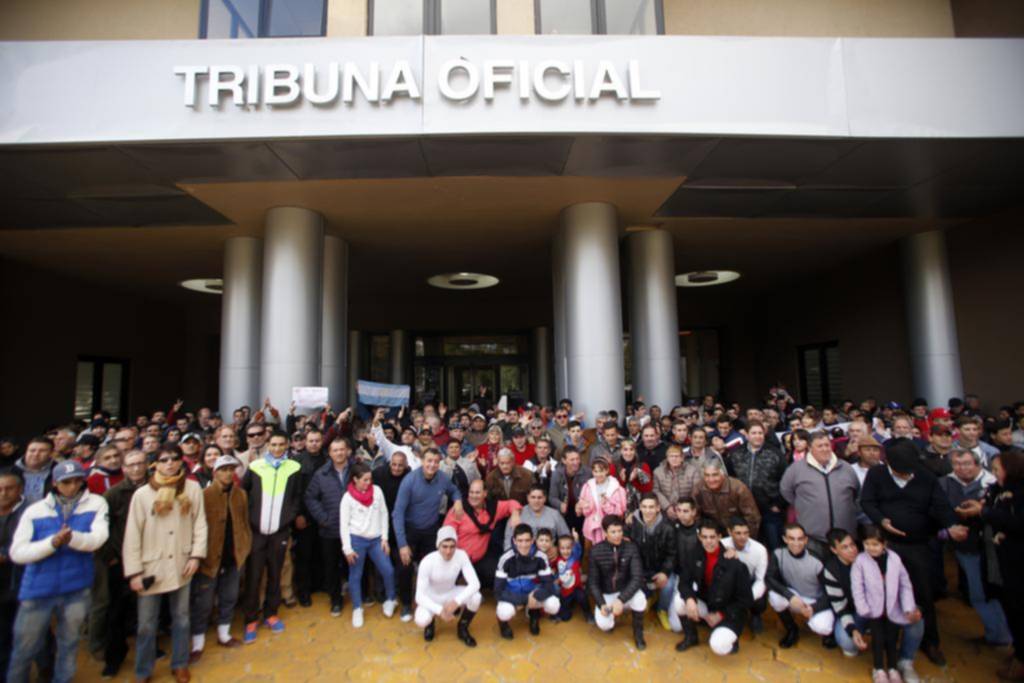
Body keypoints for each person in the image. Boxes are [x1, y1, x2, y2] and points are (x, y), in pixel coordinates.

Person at [860, 438, 968, 666]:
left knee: (923, 593)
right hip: (887, 545)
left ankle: (930, 642)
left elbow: (941, 505)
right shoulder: (876, 475)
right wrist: (881, 520)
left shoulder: (926, 477)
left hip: (918, 545)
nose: (906, 475)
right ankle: (887, 641)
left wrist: (951, 525)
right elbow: (867, 502)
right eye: (901, 471)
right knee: (885, 592)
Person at [7, 460, 107, 683]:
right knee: (24, 648)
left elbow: (98, 539)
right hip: (38, 590)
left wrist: (73, 538)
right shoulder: (35, 510)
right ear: (55, 483)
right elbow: (18, 552)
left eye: (77, 481)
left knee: (69, 645)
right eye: (66, 482)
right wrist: (52, 543)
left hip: (77, 587)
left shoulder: (96, 503)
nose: (73, 486)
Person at [122, 444, 207, 683]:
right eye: (164, 459)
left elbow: (200, 524)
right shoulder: (142, 494)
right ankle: (143, 670)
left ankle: (180, 663)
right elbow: (132, 534)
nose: (170, 463)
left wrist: (196, 556)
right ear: (155, 464)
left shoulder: (191, 488)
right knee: (146, 624)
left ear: (181, 461)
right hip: (151, 567)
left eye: (174, 458)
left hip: (182, 562)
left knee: (181, 618)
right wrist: (134, 572)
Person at [958, 449, 1024, 680]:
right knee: (1009, 607)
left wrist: (985, 512)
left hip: (1017, 563)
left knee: (1019, 610)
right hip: (997, 559)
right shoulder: (996, 490)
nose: (993, 473)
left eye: (997, 469)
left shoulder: (1020, 493)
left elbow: (1018, 522)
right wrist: (978, 508)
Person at [940, 448, 1011, 648]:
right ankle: (997, 633)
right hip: (966, 547)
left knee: (991, 592)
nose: (962, 468)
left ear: (978, 464)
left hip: (994, 548)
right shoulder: (944, 483)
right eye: (957, 464)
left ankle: (1001, 636)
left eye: (967, 463)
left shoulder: (992, 483)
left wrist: (981, 511)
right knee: (979, 592)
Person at [240, 430, 303, 644]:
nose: (277, 448)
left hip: (280, 531)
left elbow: (296, 497)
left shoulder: (294, 467)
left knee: (276, 573)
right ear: (268, 445)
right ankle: (251, 619)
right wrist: (250, 518)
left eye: (281, 444)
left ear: (287, 445)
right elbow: (243, 493)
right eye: (273, 444)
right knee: (254, 575)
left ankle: (271, 613)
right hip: (257, 532)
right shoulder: (256, 467)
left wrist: (288, 518)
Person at [189, 455, 251, 660]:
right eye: (223, 469)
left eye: (231, 469)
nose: (228, 473)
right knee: (203, 602)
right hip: (210, 557)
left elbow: (244, 522)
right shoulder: (204, 495)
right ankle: (198, 642)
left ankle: (224, 633)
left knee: (229, 596)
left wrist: (245, 545)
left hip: (233, 554)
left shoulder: (241, 495)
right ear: (215, 472)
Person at [394, 449, 464, 622]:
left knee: (435, 566)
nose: (432, 465)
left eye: (436, 461)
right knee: (405, 566)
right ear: (422, 461)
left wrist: (457, 500)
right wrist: (402, 544)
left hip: (430, 530)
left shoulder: (442, 478)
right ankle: (406, 603)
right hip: (410, 529)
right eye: (429, 461)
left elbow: (454, 490)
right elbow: (398, 513)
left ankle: (435, 601)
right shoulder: (409, 481)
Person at [98, 449, 149, 677]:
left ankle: (148, 649)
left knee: (146, 611)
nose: (136, 468)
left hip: (150, 558)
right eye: (131, 465)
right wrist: (110, 557)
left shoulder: (157, 489)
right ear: (124, 468)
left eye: (140, 463)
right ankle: (115, 657)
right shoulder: (114, 494)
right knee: (116, 612)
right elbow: (103, 529)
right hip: (121, 561)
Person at [851, 525, 921, 683]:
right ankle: (878, 669)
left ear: (884, 544)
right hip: (873, 609)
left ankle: (892, 668)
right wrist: (863, 607)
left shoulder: (894, 559)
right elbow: (857, 587)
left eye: (875, 544)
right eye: (867, 544)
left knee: (892, 638)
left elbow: (905, 584)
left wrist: (908, 607)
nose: (871, 548)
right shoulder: (860, 561)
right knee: (877, 638)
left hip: (893, 608)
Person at [672, 518, 753, 656]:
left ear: (719, 537)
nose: (708, 541)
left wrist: (721, 614)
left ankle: (731, 638)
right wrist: (689, 599)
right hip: (708, 605)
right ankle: (691, 637)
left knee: (718, 646)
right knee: (680, 601)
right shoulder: (694, 555)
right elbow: (684, 582)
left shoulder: (735, 564)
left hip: (728, 612)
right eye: (704, 537)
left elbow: (746, 600)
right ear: (699, 537)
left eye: (712, 537)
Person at [780, 431, 861, 558]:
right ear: (810, 448)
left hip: (844, 536)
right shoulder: (795, 470)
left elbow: (856, 494)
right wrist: (804, 504)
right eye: (820, 446)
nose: (824, 449)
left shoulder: (846, 468)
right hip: (813, 536)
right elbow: (786, 491)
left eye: (827, 445)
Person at [340, 462, 397, 628]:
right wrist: (347, 549)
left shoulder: (377, 491)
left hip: (376, 540)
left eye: (370, 479)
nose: (368, 482)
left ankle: (391, 599)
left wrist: (385, 538)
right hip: (357, 540)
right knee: (355, 575)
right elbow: (344, 525)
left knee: (388, 570)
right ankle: (357, 608)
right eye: (365, 480)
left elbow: (384, 514)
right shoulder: (347, 498)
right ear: (355, 480)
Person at [303, 437, 352, 617]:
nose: (339, 453)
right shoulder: (321, 474)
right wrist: (323, 518)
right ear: (330, 453)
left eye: (342, 449)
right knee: (331, 566)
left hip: (353, 528)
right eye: (335, 450)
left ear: (347, 451)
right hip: (330, 528)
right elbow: (310, 497)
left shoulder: (356, 470)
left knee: (354, 563)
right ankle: (335, 600)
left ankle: (359, 594)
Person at [766, 522, 835, 649]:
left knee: (823, 627)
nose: (796, 543)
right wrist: (789, 596)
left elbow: (831, 592)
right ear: (785, 539)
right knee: (775, 597)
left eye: (800, 539)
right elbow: (769, 578)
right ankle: (791, 629)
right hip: (795, 597)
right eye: (791, 539)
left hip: (816, 600)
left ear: (805, 540)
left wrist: (814, 608)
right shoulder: (778, 554)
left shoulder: (817, 560)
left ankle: (829, 633)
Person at [443, 478, 521, 588]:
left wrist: (515, 514)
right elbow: (446, 535)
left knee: (498, 575)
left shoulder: (493, 508)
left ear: (485, 493)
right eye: (471, 492)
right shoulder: (459, 509)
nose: (473, 496)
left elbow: (511, 503)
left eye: (477, 492)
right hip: (456, 558)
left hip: (480, 559)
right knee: (447, 585)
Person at [414, 526, 482, 647]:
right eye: (444, 546)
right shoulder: (427, 561)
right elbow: (419, 596)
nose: (448, 551)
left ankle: (462, 628)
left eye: (452, 546)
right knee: (421, 620)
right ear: (438, 545)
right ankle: (430, 624)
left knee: (476, 597)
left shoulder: (461, 555)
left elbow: (475, 583)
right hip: (432, 596)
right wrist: (440, 611)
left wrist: (456, 602)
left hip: (451, 593)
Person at [726, 421, 786, 552]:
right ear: (746, 435)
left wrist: (778, 504)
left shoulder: (775, 453)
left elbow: (785, 480)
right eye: (754, 433)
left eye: (760, 433)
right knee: (747, 546)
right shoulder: (736, 453)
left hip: (769, 508)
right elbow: (730, 479)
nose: (757, 436)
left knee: (774, 545)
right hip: (743, 508)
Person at [589, 514, 648, 649]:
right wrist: (601, 603)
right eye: (613, 532)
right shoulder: (595, 551)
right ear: (605, 533)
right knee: (604, 625)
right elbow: (593, 583)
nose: (617, 535)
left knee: (640, 599)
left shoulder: (631, 548)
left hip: (625, 591)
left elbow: (637, 577)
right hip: (607, 593)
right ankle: (611, 620)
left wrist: (621, 600)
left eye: (620, 531)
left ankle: (638, 633)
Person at [495, 523, 560, 639]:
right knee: (504, 612)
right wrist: (524, 600)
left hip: (532, 592)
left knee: (554, 605)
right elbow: (498, 592)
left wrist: (535, 595)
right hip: (513, 594)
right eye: (520, 541)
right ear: (514, 541)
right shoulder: (505, 558)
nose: (524, 545)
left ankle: (534, 614)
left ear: (532, 540)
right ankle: (503, 623)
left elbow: (549, 585)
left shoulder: (541, 557)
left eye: (527, 540)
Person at [627, 493, 676, 634]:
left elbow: (672, 554)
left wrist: (665, 572)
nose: (648, 511)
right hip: (641, 568)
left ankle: (662, 609)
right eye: (644, 507)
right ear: (640, 508)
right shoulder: (632, 523)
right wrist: (636, 570)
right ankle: (649, 596)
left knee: (668, 585)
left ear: (658, 508)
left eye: (651, 507)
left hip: (660, 568)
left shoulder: (668, 527)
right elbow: (629, 548)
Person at [292, 427, 327, 607]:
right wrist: (298, 514)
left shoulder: (327, 460)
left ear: (322, 442)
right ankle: (304, 591)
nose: (314, 444)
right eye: (311, 441)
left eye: (317, 441)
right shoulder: (296, 462)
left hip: (324, 515)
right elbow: (294, 492)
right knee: (304, 555)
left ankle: (319, 584)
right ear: (305, 442)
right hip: (304, 515)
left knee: (321, 552)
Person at [0, 469, 27, 681]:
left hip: (21, 583)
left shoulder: (30, 512)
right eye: (0, 489)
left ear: (20, 489)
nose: (3, 493)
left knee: (22, 638)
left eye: (9, 488)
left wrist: (6, 554)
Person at [721, 517, 769, 633]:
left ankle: (755, 615)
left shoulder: (760, 549)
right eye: (738, 533)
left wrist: (747, 598)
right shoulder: (721, 545)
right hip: (728, 583)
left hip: (749, 584)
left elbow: (761, 579)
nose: (743, 537)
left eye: (746, 533)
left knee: (760, 602)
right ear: (729, 532)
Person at [693, 459, 761, 537]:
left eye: (715, 475)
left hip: (737, 534)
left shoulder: (738, 488)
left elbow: (753, 518)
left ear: (723, 474)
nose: (711, 479)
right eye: (707, 475)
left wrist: (744, 538)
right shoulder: (698, 489)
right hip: (713, 535)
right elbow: (695, 516)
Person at [577, 457, 627, 550]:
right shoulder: (587, 487)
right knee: (590, 552)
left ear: (607, 470)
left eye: (601, 471)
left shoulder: (617, 488)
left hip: (610, 527)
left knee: (608, 552)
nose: (598, 474)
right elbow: (585, 512)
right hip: (591, 526)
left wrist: (606, 505)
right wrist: (587, 506)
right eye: (595, 471)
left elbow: (619, 512)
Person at [504, 484, 569, 548]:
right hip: (524, 552)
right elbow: (508, 540)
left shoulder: (555, 514)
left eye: (539, 497)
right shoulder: (517, 514)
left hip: (549, 553)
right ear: (528, 498)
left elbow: (566, 536)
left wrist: (557, 550)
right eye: (533, 497)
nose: (536, 501)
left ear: (545, 498)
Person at [549, 448, 590, 539]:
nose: (576, 462)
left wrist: (582, 504)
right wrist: (560, 505)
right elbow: (552, 497)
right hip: (564, 512)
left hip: (582, 511)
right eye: (572, 460)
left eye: (577, 459)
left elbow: (591, 495)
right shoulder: (556, 474)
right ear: (564, 461)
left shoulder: (587, 472)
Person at [652, 445, 701, 520]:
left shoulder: (692, 471)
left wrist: (683, 508)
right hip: (665, 510)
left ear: (682, 458)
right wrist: (667, 507)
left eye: (677, 456)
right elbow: (655, 490)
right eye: (671, 456)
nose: (674, 459)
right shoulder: (658, 471)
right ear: (667, 458)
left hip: (687, 509)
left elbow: (696, 491)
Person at [553, 534, 588, 622]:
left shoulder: (575, 557)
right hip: (565, 590)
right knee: (565, 617)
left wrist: (576, 540)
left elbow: (578, 550)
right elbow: (555, 570)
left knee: (582, 597)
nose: (566, 551)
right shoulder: (558, 560)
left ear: (572, 548)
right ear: (558, 549)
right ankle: (569, 606)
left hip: (577, 588)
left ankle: (587, 613)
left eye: (568, 548)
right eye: (562, 548)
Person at [613, 439, 653, 514]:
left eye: (631, 449)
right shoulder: (614, 466)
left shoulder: (643, 466)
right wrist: (622, 481)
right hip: (619, 506)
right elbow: (611, 491)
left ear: (635, 451)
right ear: (621, 451)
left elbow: (648, 489)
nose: (628, 453)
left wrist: (634, 480)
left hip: (639, 506)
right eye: (625, 449)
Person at [14, 438, 54, 505]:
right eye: (32, 450)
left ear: (51, 453)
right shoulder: (9, 472)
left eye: (42, 451)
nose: (36, 454)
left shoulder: (57, 471)